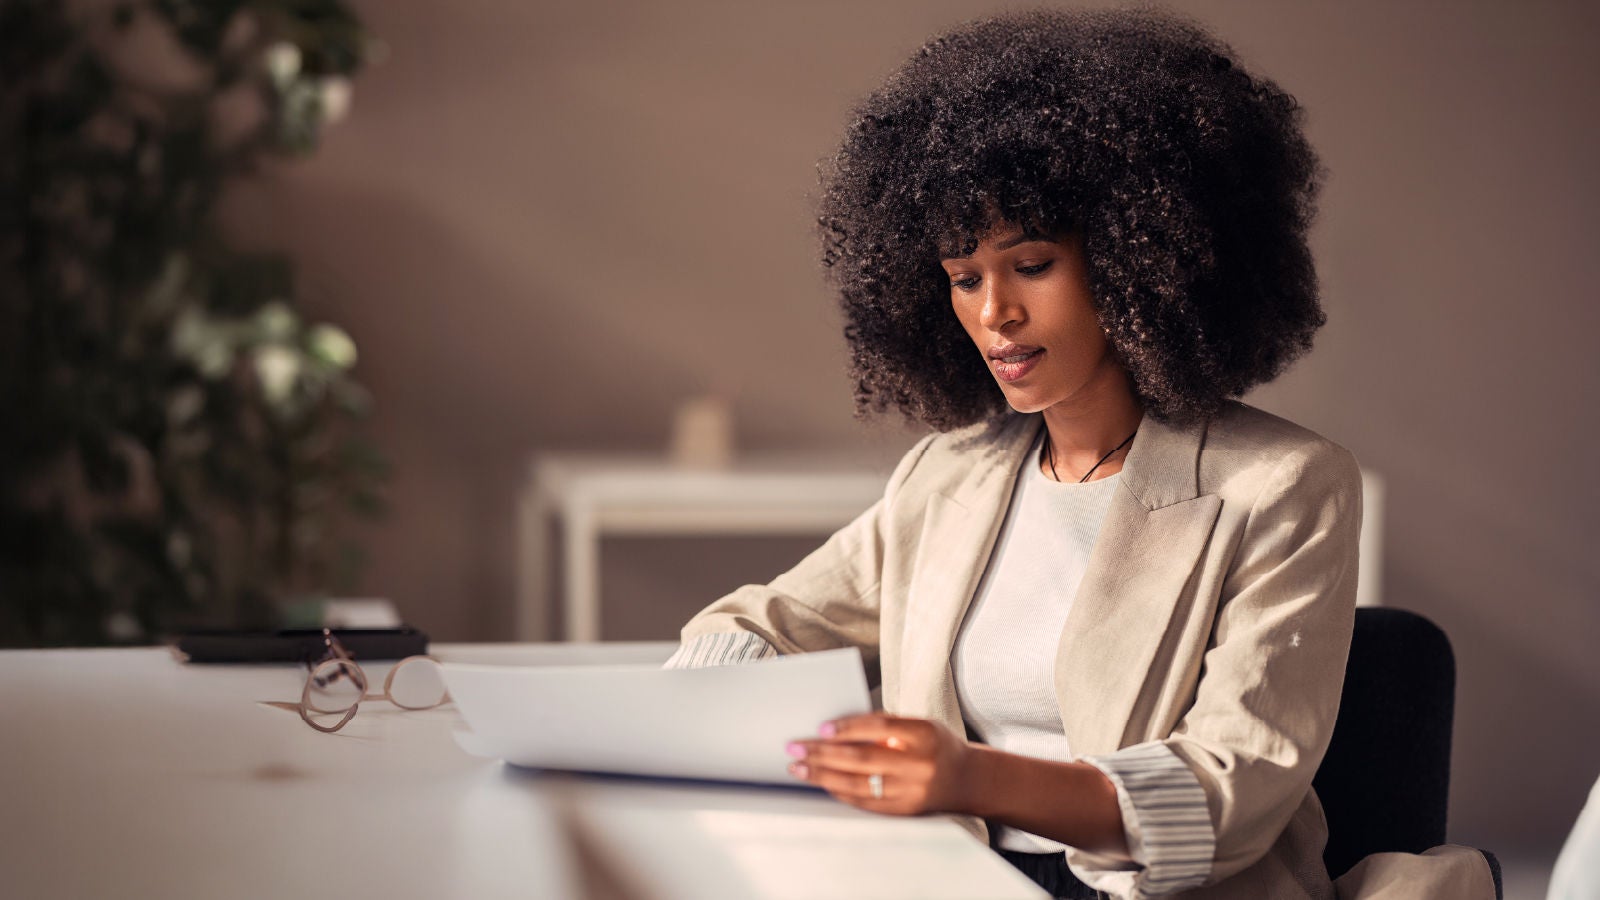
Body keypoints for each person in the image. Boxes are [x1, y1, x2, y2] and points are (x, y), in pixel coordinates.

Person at [666, 9, 1494, 899]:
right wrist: (658, 718)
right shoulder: (950, 476)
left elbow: (1233, 787)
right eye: (964, 278)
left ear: (1140, 259)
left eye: (1031, 265)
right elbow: (760, 623)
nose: (995, 315)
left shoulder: (1284, 487)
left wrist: (969, 776)